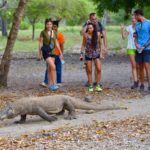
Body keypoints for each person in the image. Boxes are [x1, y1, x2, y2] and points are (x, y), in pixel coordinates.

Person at [80, 12, 107, 87]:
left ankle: (97, 81)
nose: (94, 20)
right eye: (92, 19)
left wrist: (105, 48)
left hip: (96, 51)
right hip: (88, 51)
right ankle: (90, 82)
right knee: (88, 68)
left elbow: (104, 35)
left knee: (98, 67)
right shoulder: (87, 25)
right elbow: (81, 33)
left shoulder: (99, 25)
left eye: (95, 19)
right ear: (90, 19)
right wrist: (87, 24)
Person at [120, 16, 144, 90]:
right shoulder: (129, 27)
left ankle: (141, 82)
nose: (133, 20)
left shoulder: (140, 27)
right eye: (132, 19)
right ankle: (135, 81)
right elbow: (124, 37)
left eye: (134, 19)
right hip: (130, 47)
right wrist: (122, 29)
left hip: (139, 47)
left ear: (137, 20)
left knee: (139, 66)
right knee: (134, 65)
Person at [38, 18, 63, 91]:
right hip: (46, 52)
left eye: (50, 24)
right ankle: (54, 84)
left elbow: (56, 43)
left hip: (53, 52)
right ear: (45, 25)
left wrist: (60, 52)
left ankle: (50, 85)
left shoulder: (54, 32)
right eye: (47, 24)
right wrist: (39, 54)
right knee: (53, 66)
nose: (49, 25)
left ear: (52, 25)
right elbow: (40, 43)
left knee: (49, 68)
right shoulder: (43, 32)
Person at [134, 9, 150, 93]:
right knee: (140, 67)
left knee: (147, 67)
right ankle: (142, 84)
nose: (134, 17)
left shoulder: (149, 23)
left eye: (135, 16)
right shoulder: (137, 25)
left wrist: (144, 46)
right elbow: (135, 36)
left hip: (147, 49)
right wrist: (136, 44)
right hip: (139, 49)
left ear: (138, 15)